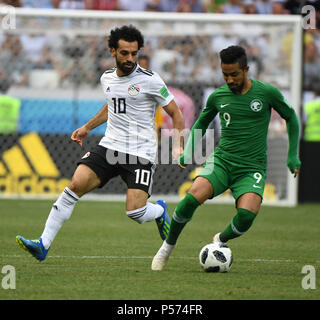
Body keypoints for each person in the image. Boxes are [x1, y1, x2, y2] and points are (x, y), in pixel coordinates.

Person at [16, 25, 185, 262]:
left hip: (140, 153)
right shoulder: (106, 78)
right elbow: (112, 106)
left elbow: (176, 113)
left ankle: (158, 211)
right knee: (75, 184)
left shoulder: (151, 80)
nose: (130, 59)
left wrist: (178, 146)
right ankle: (43, 244)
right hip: (110, 146)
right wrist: (87, 127)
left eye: (134, 53)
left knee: (135, 212)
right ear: (112, 51)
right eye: (124, 53)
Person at [151, 45, 301, 271]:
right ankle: (167, 247)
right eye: (225, 75)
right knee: (191, 198)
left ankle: (220, 239)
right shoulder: (218, 96)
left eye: (234, 75)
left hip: (252, 168)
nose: (229, 80)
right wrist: (188, 150)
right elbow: (202, 122)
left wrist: (292, 156)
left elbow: (291, 117)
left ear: (246, 69)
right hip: (222, 161)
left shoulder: (267, 93)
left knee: (246, 217)